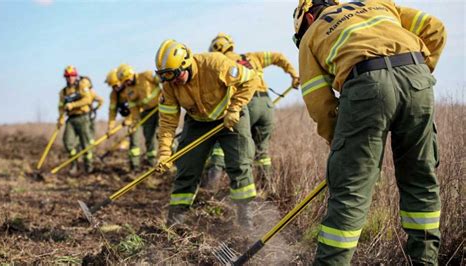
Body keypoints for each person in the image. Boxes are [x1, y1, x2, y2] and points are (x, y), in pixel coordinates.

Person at [293, 0, 446, 264]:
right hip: (417, 78)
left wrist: (340, 144)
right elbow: (435, 27)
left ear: (306, 17)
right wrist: (419, 70)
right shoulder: (378, 4)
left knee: (351, 190)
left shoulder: (311, 34)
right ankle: (425, 260)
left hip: (366, 85)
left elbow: (319, 102)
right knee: (420, 177)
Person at [155, 39, 259, 226]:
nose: (173, 81)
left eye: (175, 75)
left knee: (239, 164)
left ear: (186, 64)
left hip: (230, 116)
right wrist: (164, 153)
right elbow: (168, 122)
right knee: (186, 166)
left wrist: (235, 108)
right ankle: (175, 222)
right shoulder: (170, 85)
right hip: (198, 122)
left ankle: (246, 219)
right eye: (166, 77)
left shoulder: (216, 64)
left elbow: (251, 79)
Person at [206, 32, 300, 186]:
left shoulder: (221, 62)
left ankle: (211, 184)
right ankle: (267, 186)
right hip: (267, 105)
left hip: (247, 104)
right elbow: (279, 57)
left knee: (223, 140)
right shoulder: (253, 57)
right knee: (262, 151)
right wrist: (294, 75)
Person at [116, 64, 161, 167]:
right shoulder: (128, 90)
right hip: (146, 113)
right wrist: (135, 122)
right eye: (124, 82)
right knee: (149, 138)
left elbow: (162, 84)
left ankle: (176, 157)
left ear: (131, 74)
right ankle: (152, 163)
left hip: (160, 108)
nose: (127, 83)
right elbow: (134, 108)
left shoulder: (146, 75)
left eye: (127, 80)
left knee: (163, 134)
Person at [57, 65, 95, 174]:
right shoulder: (63, 92)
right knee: (68, 142)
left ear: (75, 76)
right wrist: (60, 118)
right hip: (71, 119)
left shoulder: (82, 85)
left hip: (83, 117)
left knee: (86, 144)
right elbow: (60, 106)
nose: (70, 78)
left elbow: (87, 99)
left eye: (72, 76)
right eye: (68, 76)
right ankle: (74, 165)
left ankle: (89, 166)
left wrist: (73, 105)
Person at [105, 68, 141, 171]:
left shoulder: (130, 88)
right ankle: (135, 167)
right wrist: (110, 128)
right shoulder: (114, 95)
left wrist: (130, 119)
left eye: (116, 85)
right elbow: (112, 112)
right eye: (112, 86)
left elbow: (136, 106)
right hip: (132, 120)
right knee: (134, 141)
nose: (115, 88)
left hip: (142, 115)